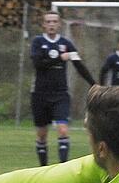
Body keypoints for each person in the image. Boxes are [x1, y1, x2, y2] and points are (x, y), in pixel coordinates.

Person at [30, 11, 95, 166]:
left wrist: (93, 83)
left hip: (60, 94)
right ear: (44, 25)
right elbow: (38, 64)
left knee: (63, 130)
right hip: (40, 94)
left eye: (54, 21)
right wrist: (59, 58)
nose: (51, 24)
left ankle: (62, 167)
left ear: (59, 24)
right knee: (41, 135)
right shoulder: (38, 42)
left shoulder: (66, 43)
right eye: (48, 21)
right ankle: (43, 169)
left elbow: (78, 65)